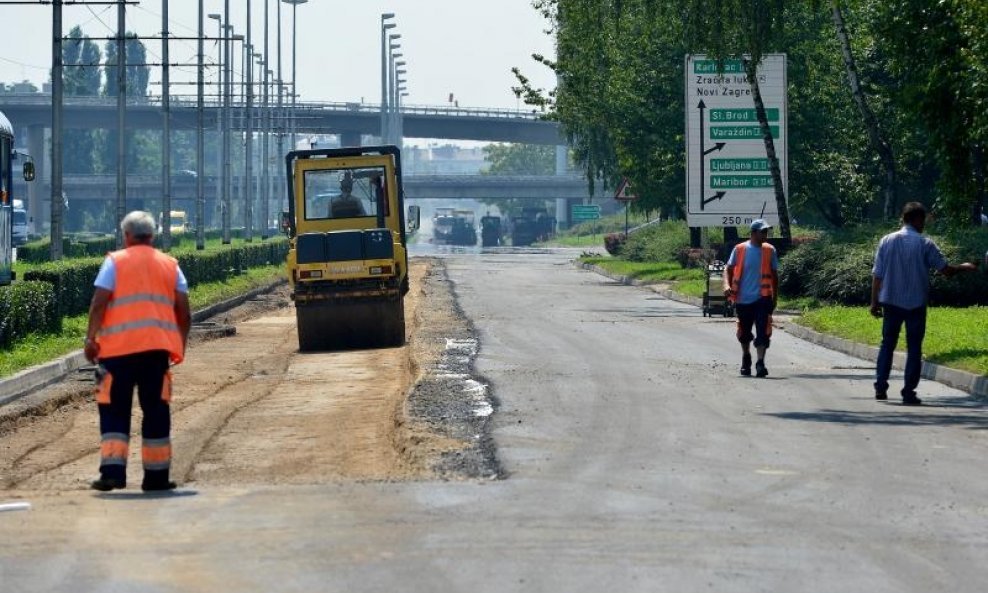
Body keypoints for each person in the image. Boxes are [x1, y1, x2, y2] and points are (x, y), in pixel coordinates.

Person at [84, 211, 191, 492]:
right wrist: (180, 343)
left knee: (114, 411)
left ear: (126, 236)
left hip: (116, 355)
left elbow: (98, 303)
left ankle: (112, 473)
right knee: (156, 412)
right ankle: (156, 478)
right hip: (156, 354)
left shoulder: (114, 263)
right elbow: (184, 309)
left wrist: (90, 339)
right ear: (152, 236)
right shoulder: (170, 265)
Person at [870, 202, 977, 405]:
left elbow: (877, 274)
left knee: (887, 344)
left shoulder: (886, 241)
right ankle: (908, 392)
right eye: (924, 220)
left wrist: (874, 301)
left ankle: (881, 386)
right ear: (917, 219)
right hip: (916, 304)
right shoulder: (925, 244)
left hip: (891, 301)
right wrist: (964, 267)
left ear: (904, 218)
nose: (924, 225)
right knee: (914, 348)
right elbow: (945, 270)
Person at [724, 219, 779, 378]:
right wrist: (726, 285)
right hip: (742, 299)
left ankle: (760, 363)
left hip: (762, 298)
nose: (766, 235)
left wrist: (774, 298)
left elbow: (775, 276)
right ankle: (746, 357)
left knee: (763, 331)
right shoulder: (740, 249)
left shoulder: (770, 250)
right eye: (763, 232)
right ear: (753, 233)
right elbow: (728, 268)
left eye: (766, 231)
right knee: (744, 333)